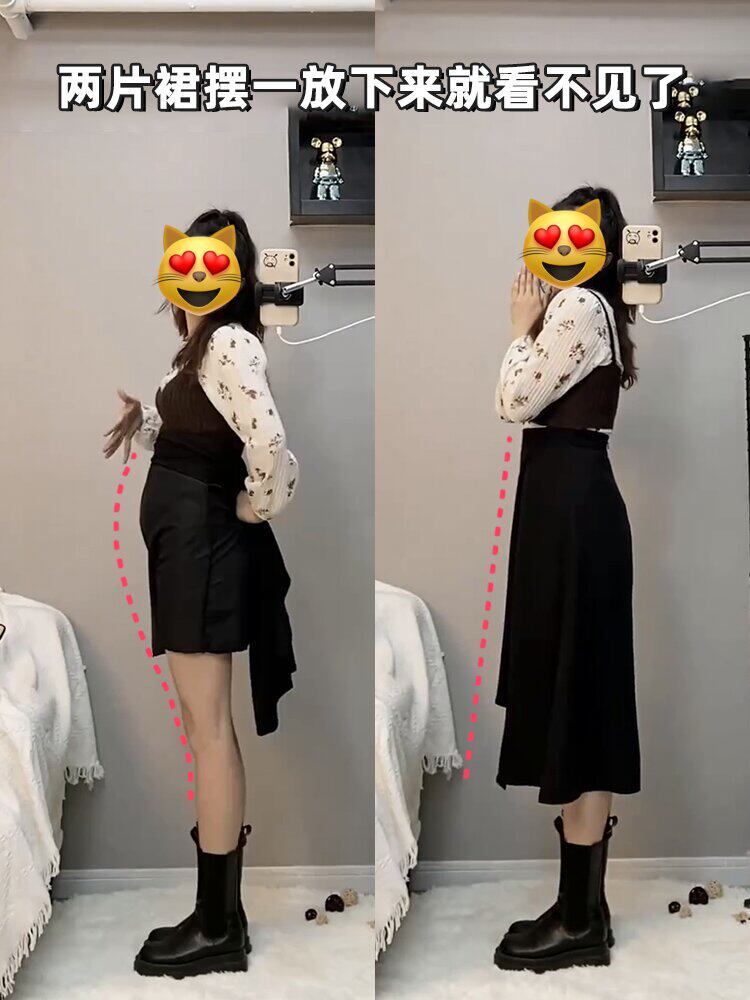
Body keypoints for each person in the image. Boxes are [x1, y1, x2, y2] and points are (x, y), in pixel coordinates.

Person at [104, 208, 298, 978]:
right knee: (203, 726)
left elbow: (269, 446)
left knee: (209, 729)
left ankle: (217, 925)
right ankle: (222, 915)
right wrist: (146, 423)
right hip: (187, 550)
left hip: (203, 553)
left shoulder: (229, 344)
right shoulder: (200, 348)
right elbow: (200, 439)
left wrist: (255, 506)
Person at [492, 187, 640, 973]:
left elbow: (513, 400)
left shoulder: (579, 307)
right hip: (568, 505)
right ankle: (583, 907)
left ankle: (580, 917)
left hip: (572, 511)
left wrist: (520, 328)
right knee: (580, 694)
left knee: (581, 700)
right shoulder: (591, 308)